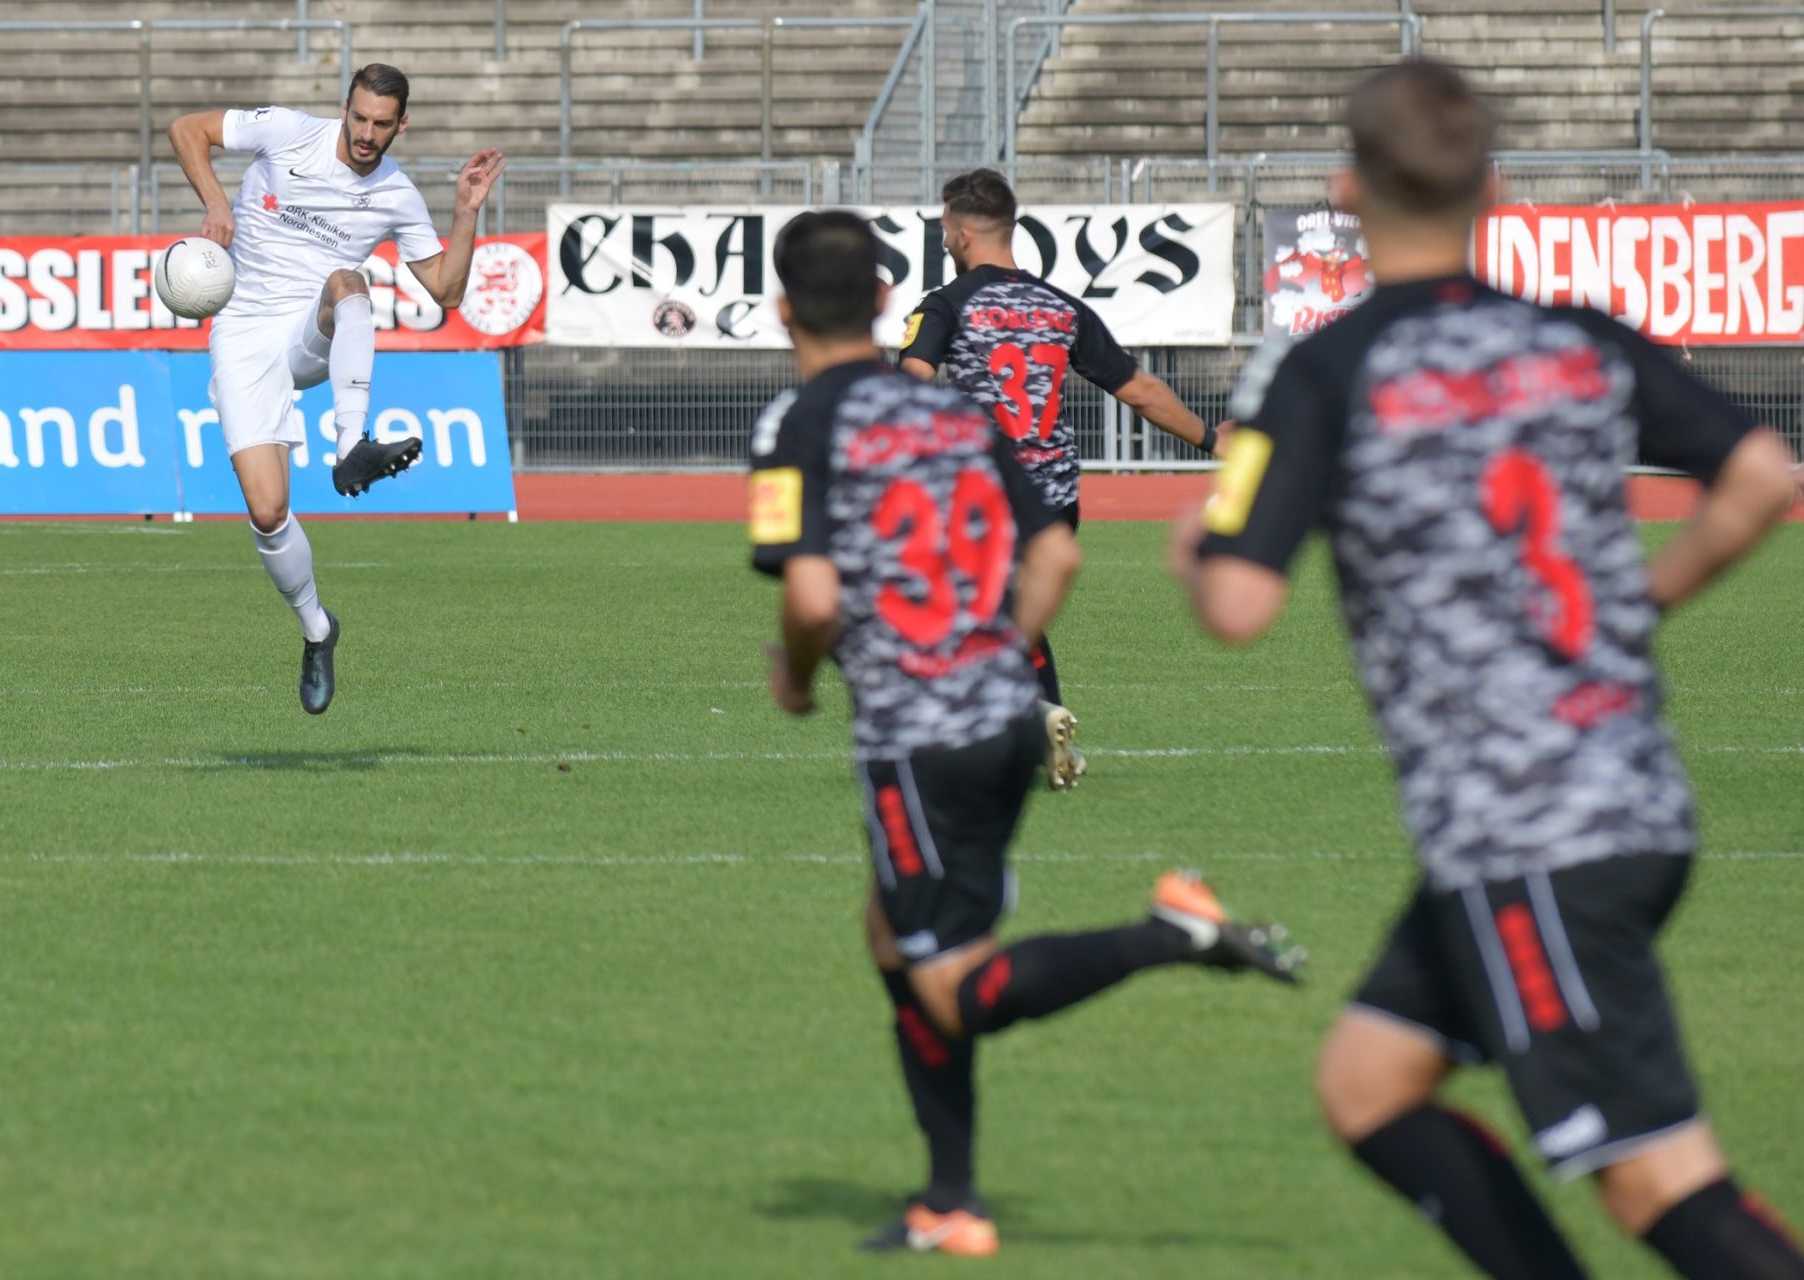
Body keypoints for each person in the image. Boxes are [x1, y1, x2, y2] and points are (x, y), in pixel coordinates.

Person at [1173, 59, 1804, 1280]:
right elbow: (1761, 475)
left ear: (1345, 192)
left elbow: (1241, 604)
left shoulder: (1334, 368)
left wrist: (1197, 550)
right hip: (1619, 788)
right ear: (1494, 191)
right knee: (1367, 1082)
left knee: (1655, 1178)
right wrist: (1642, 601)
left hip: (1528, 830)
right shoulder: (1574, 336)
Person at [754, 209, 1302, 1259]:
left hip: (922, 741)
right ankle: (949, 1198)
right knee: (896, 939)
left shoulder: (798, 423)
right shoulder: (958, 417)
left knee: (948, 981)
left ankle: (1171, 931)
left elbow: (813, 599)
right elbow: (1055, 558)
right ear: (883, 300)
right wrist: (994, 652)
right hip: (1010, 715)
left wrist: (796, 676)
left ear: (784, 310)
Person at [168, 63, 504, 714]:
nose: (367, 134)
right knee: (268, 512)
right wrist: (216, 202)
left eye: (383, 124)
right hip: (243, 331)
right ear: (344, 109)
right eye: (360, 118)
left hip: (313, 328)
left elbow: (446, 290)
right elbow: (187, 129)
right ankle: (318, 630)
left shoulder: (396, 193)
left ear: (402, 125)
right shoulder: (288, 131)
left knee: (350, 281)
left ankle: (352, 445)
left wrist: (465, 212)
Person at [900, 168, 1229, 789]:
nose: (943, 239)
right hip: (1054, 493)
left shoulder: (946, 304)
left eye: (944, 229)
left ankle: (995, 729)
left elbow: (913, 377)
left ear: (964, 234)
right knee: (1010, 609)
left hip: (982, 489)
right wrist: (1211, 439)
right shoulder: (1060, 306)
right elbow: (1139, 389)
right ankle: (1038, 723)